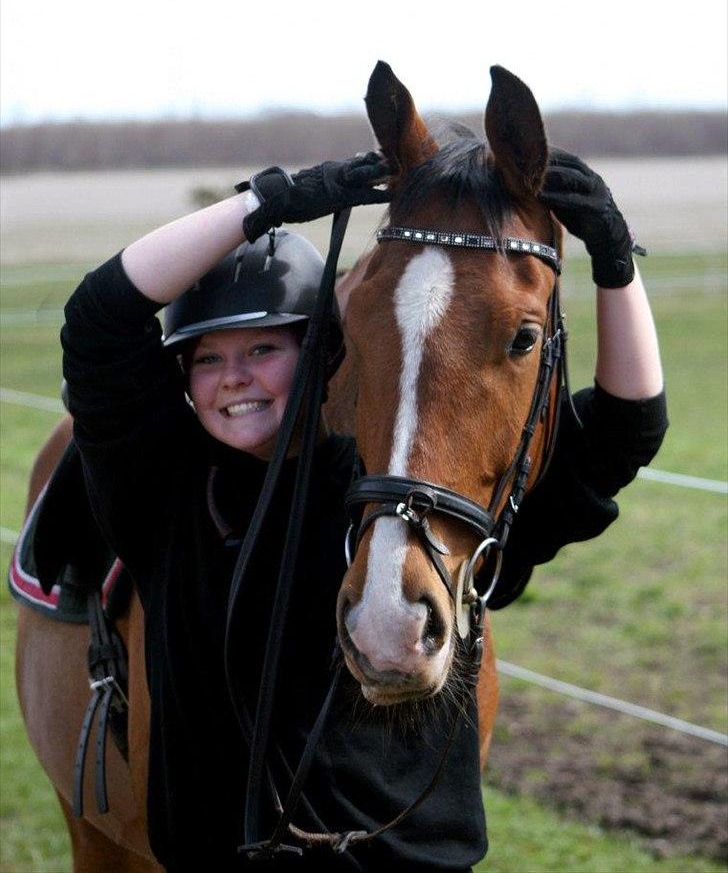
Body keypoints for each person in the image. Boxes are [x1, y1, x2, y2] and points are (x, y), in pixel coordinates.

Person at [60, 150, 667, 872]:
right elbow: (99, 317)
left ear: (325, 353)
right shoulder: (166, 497)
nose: (236, 379)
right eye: (206, 359)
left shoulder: (412, 501)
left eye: (262, 348)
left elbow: (628, 426)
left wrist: (614, 257)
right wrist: (269, 201)